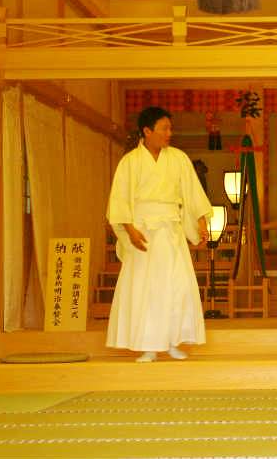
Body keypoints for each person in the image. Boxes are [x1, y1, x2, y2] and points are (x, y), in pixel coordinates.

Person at [106, 106, 212, 363]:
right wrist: (130, 230)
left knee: (177, 287)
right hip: (142, 233)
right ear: (147, 131)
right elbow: (119, 199)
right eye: (164, 128)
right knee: (145, 289)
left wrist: (200, 221)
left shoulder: (178, 158)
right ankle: (148, 346)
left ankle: (173, 342)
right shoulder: (130, 162)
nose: (169, 133)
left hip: (171, 231)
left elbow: (192, 193)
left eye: (170, 128)